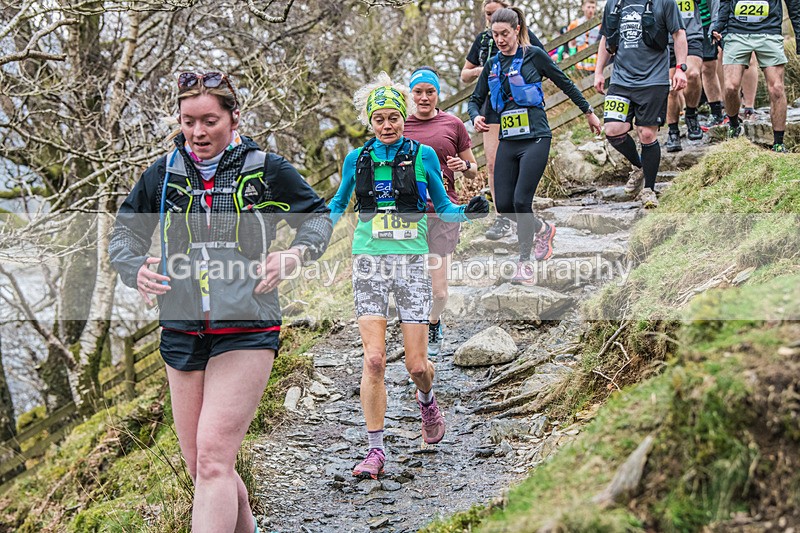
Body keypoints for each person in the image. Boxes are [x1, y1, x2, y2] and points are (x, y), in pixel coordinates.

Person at [109, 72, 332, 533]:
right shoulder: (163, 172)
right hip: (181, 329)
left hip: (247, 326)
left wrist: (293, 254)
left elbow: (318, 218)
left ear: (233, 117)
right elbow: (124, 234)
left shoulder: (266, 168)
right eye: (188, 121)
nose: (198, 132)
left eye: (209, 120)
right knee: (204, 468)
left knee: (213, 460)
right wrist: (136, 270)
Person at [328, 73, 489, 479]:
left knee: (417, 366)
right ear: (369, 121)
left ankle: (427, 400)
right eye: (378, 118)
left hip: (411, 263)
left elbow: (444, 205)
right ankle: (375, 450)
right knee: (375, 359)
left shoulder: (423, 156)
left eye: (393, 117)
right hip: (368, 262)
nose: (387, 125)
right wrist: (310, 233)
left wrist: (467, 210)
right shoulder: (357, 159)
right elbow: (336, 203)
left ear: (403, 118)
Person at [469, 7, 602, 285]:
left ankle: (524, 263)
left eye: (504, 34)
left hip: (537, 138)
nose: (500, 40)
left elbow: (565, 83)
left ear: (517, 29)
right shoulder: (492, 64)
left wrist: (588, 111)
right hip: (509, 140)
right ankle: (543, 229)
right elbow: (474, 99)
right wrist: (476, 117)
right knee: (504, 206)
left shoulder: (534, 56)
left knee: (520, 201)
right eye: (495, 35)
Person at [403, 66, 478, 357]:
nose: (424, 98)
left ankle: (433, 322)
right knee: (410, 286)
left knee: (439, 292)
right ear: (411, 95)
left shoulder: (454, 124)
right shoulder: (400, 125)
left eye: (430, 92)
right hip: (408, 216)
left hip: (443, 213)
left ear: (437, 94)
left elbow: (475, 173)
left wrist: (465, 167)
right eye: (418, 92)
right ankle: (414, 339)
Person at [461, 0, 545, 242]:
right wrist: (485, 70)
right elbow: (464, 74)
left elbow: (544, 64)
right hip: (491, 107)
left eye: (495, 14)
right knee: (493, 162)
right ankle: (502, 217)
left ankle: (521, 211)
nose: (490, 19)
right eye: (487, 14)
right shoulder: (483, 40)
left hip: (520, 106)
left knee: (520, 161)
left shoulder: (525, 36)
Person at [595, 0, 689, 208]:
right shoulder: (614, 4)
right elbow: (605, 38)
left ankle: (649, 190)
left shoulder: (664, 3)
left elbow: (679, 33)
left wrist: (681, 68)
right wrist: (599, 71)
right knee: (613, 130)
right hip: (620, 79)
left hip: (653, 79)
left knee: (646, 134)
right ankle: (640, 166)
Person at [712, 0, 800, 151]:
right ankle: (734, 125)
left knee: (777, 89)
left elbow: (794, 4)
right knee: (730, 87)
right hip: (736, 32)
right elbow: (725, 2)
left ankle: (778, 143)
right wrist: (718, 26)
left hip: (769, 32)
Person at [665, 0, 713, 152]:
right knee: (671, 87)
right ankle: (673, 131)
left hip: (691, 33)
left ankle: (691, 114)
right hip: (666, 39)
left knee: (692, 74)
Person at [698, 0, 726, 126]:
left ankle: (717, 113)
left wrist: (715, 23)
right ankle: (690, 113)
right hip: (683, 22)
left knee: (708, 67)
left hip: (707, 22)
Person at [568, 0, 602, 73]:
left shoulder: (599, 25)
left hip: (594, 64)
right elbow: (569, 43)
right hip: (579, 63)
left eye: (593, 7)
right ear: (583, 7)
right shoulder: (575, 24)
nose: (590, 10)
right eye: (588, 7)